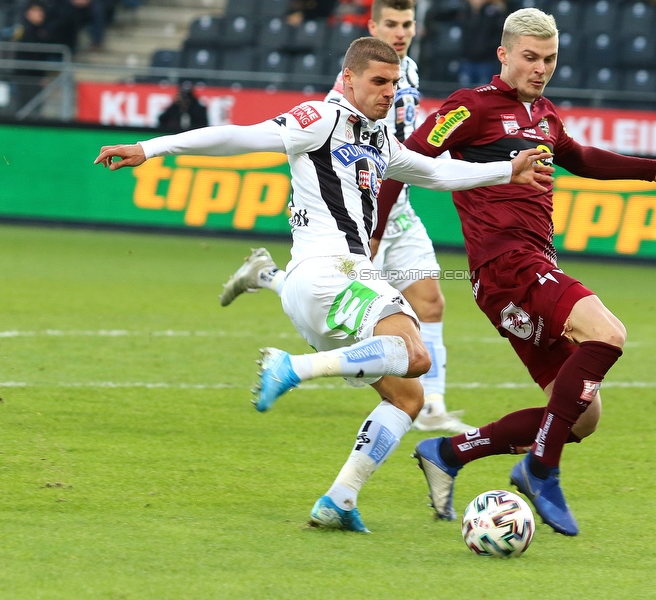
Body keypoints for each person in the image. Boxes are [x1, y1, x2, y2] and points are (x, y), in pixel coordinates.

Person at [95, 37, 553, 533]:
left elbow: (437, 171)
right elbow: (238, 137)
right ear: (349, 78)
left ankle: (339, 499)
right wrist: (150, 147)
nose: (387, 93)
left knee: (407, 398)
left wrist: (508, 168)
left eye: (393, 84)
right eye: (377, 82)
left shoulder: (378, 138)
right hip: (330, 273)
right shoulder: (321, 119)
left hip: (316, 291)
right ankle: (293, 366)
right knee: (416, 353)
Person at [378, 8, 656, 535]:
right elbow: (402, 161)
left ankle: (449, 452)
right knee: (608, 333)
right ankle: (541, 468)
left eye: (548, 59)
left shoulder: (544, 115)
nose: (540, 68)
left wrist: (649, 170)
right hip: (506, 267)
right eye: (529, 57)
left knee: (582, 416)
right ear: (504, 54)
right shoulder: (470, 107)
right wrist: (371, 232)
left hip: (530, 268)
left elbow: (581, 157)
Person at [221, 0, 480, 434]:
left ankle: (433, 403)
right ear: (373, 29)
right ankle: (271, 285)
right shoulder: (344, 96)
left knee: (430, 302)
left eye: (408, 24)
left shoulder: (407, 72)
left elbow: (409, 155)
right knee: (350, 322)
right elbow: (337, 162)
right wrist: (368, 227)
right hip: (363, 214)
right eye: (392, 26)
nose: (401, 33)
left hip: (400, 206)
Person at [457, 0, 506, 87]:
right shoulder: (464, 13)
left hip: (486, 60)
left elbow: (499, 35)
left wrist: (488, 49)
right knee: (466, 91)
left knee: (484, 92)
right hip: (467, 59)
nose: (477, 0)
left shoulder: (494, 14)